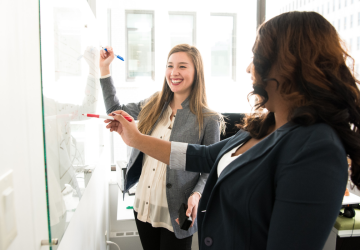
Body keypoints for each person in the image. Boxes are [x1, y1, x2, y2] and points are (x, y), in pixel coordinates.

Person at [105, 12, 360, 250]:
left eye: (256, 57)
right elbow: (203, 156)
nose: (249, 68)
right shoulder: (263, 126)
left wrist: (194, 194)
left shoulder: (316, 149)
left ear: (287, 64)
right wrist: (136, 139)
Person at [99, 44, 223, 249]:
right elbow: (115, 111)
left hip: (178, 212)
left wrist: (197, 194)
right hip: (144, 205)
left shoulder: (209, 119)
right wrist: (105, 69)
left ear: (196, 72)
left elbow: (211, 167)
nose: (174, 72)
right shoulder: (154, 103)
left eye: (182, 66)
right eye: (170, 66)